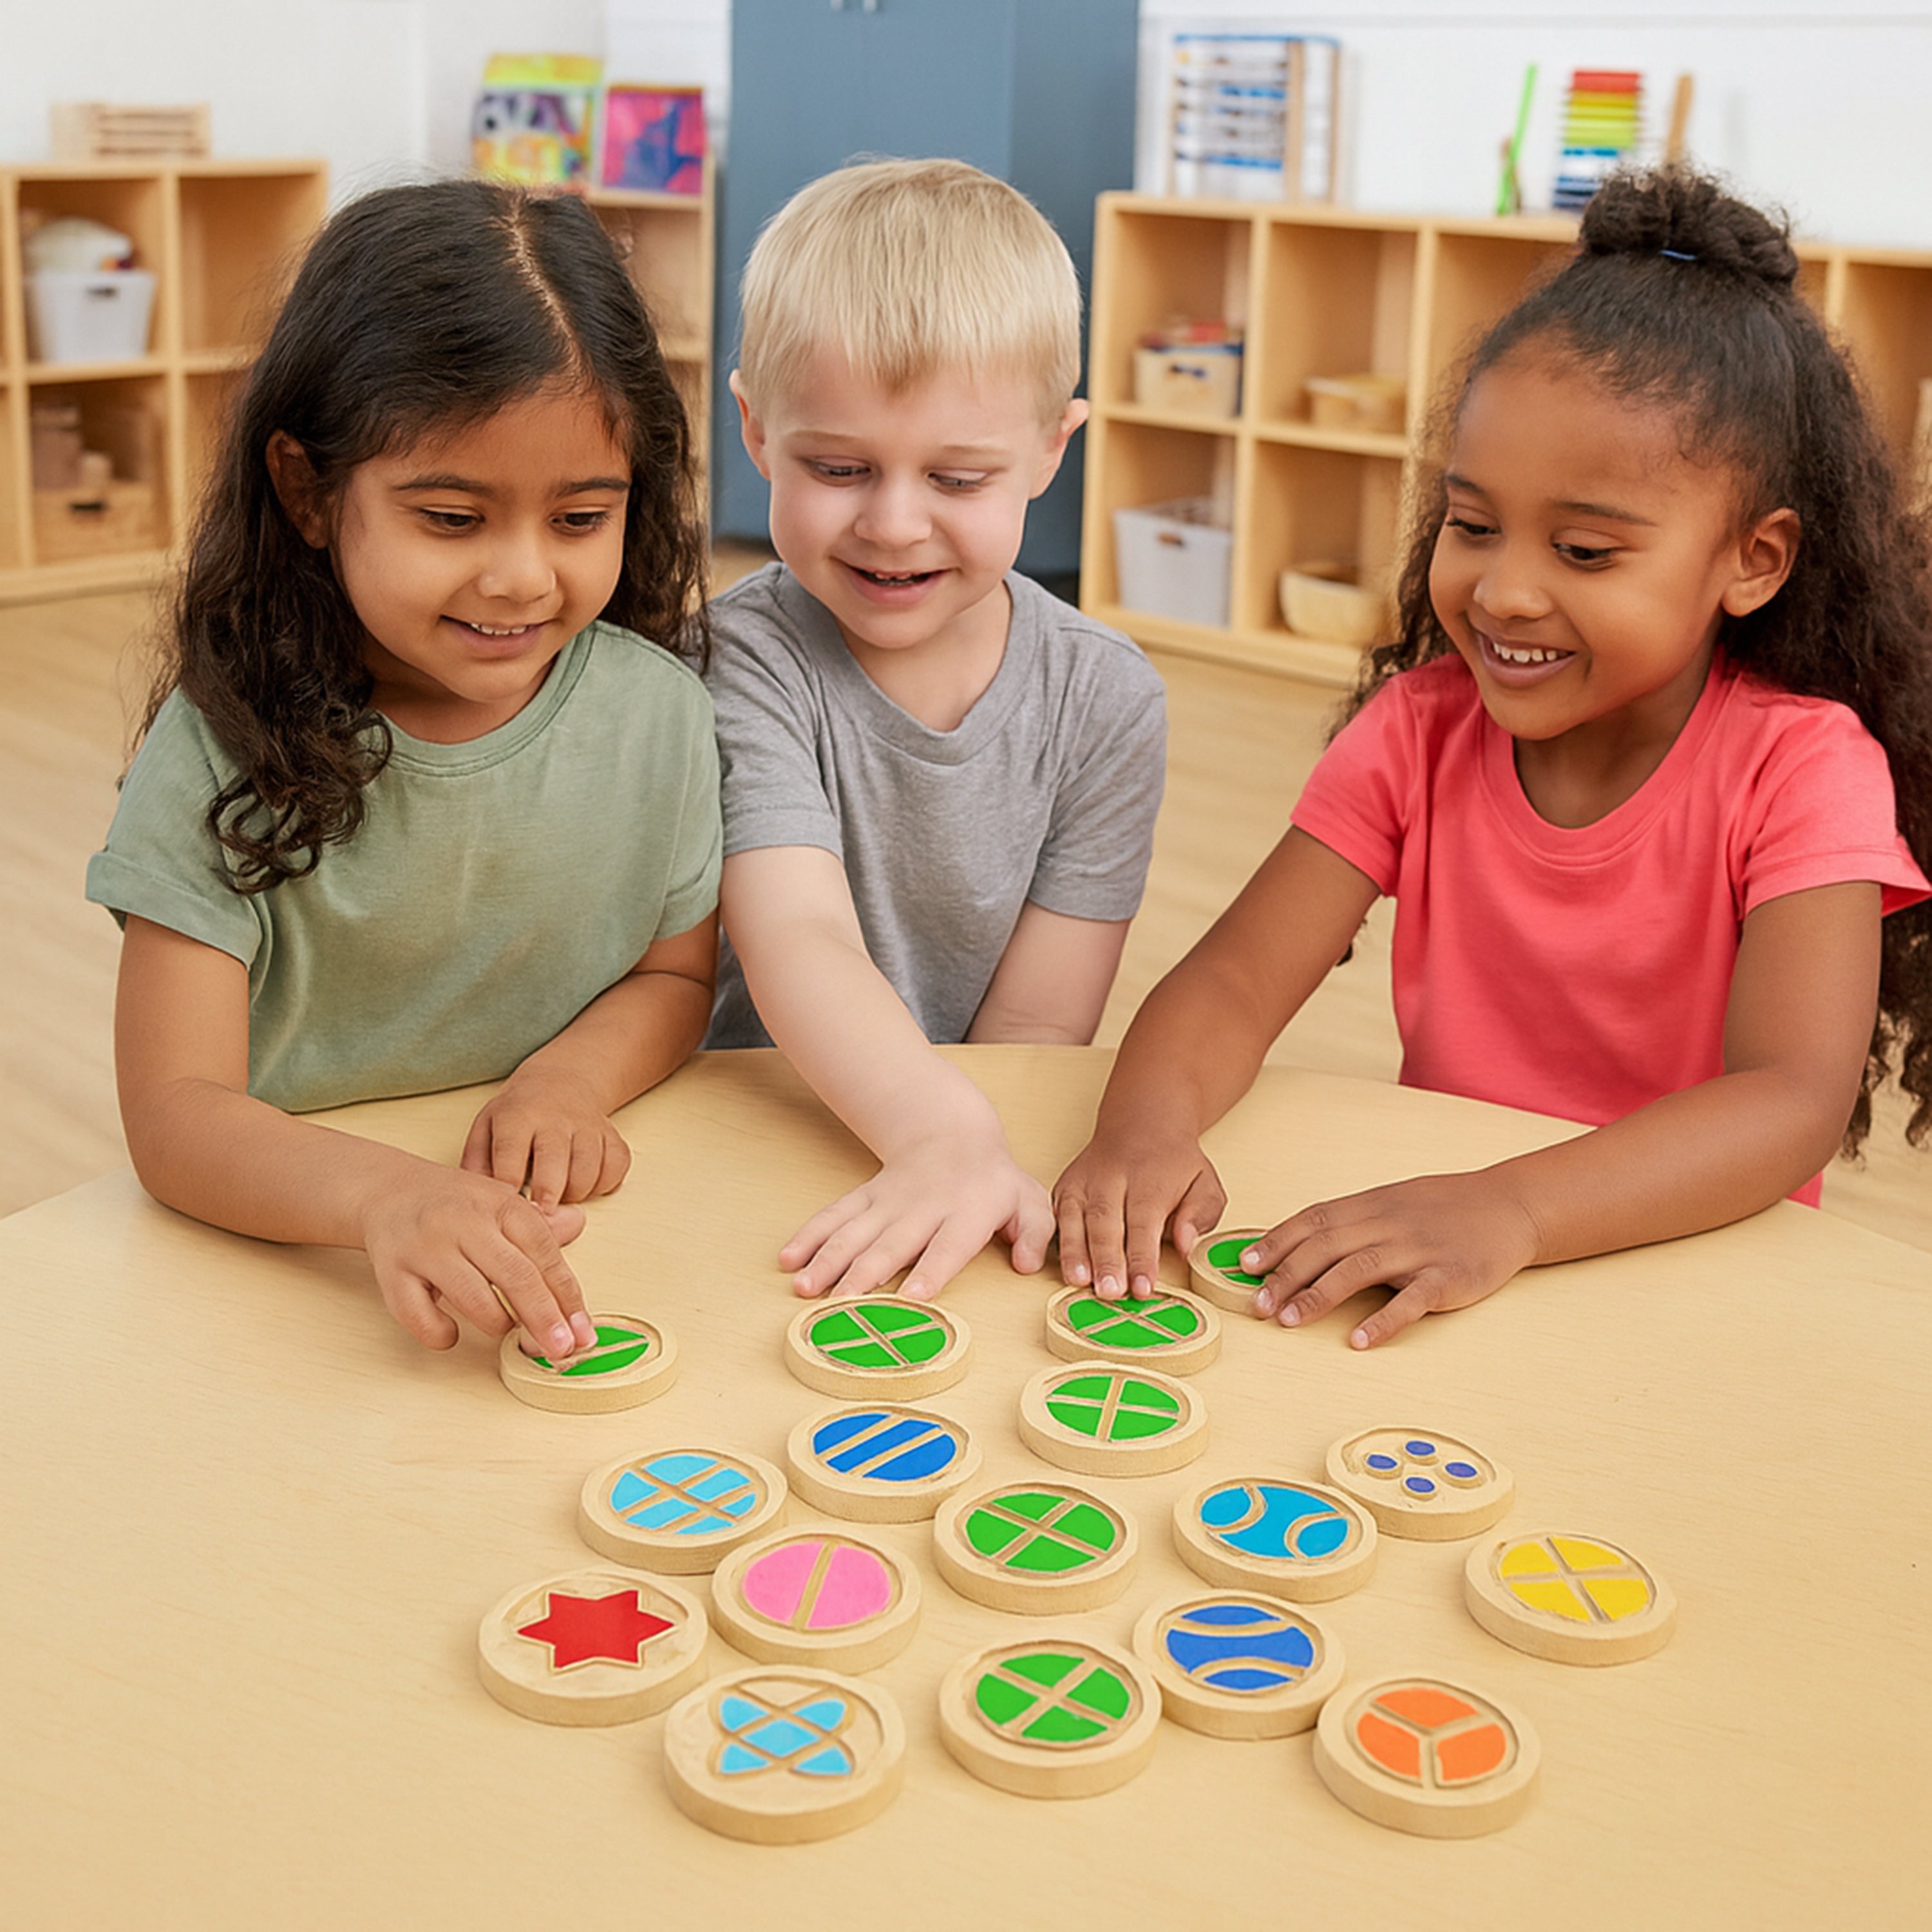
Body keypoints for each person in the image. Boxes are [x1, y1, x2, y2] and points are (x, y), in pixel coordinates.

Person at [1055, 166, 1932, 1347]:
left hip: (1687, 1276)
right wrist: (1142, 1129)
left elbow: (1789, 1100)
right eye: (1472, 526)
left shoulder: (1806, 771)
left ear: (1753, 562)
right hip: (1451, 1261)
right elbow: (1232, 984)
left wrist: (1513, 1208)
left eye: (1584, 551)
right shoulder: (1416, 730)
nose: (1505, 591)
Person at [86, 181, 722, 1356]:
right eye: (452, 519)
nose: (523, 578)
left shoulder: (660, 716)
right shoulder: (220, 746)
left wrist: (567, 1084)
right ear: (308, 491)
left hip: (563, 1241)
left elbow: (677, 978)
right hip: (290, 1257)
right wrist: (387, 1197)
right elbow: (173, 1115)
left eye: (580, 519)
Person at [706, 158, 1167, 1303]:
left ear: (1052, 449)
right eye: (839, 468)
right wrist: (940, 1137)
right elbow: (795, 932)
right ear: (755, 429)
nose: (894, 522)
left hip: (964, 1149)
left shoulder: (1107, 699)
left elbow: (1038, 1025)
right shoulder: (737, 659)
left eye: (958, 479)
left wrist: (961, 1151)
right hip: (754, 1130)